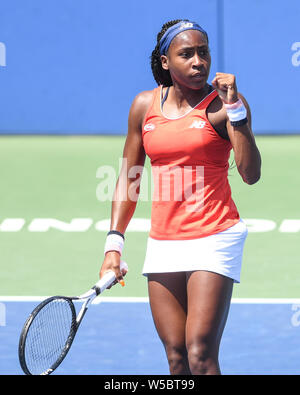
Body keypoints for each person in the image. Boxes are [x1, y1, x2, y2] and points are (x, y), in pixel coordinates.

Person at [99, 19, 261, 375]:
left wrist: (237, 112)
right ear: (165, 61)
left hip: (215, 234)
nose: (198, 62)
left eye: (203, 52)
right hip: (164, 241)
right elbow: (129, 176)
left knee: (200, 354)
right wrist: (114, 246)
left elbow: (250, 174)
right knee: (176, 358)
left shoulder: (223, 105)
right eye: (186, 54)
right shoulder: (144, 105)